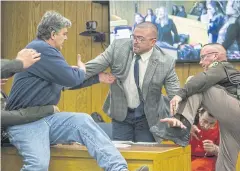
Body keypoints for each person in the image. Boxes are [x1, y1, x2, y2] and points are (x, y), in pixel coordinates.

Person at [5, 11, 148, 171]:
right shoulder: (39, 49)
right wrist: (80, 70)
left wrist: (96, 78)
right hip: (25, 123)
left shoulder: (47, 53)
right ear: (53, 34)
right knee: (38, 165)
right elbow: (71, 78)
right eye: (64, 34)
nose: (66, 38)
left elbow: (65, 83)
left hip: (46, 118)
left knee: (82, 121)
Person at [70, 21, 180, 143]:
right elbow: (93, 67)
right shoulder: (118, 48)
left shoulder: (165, 61)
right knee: (122, 155)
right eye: (134, 37)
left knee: (144, 156)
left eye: (140, 39)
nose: (135, 41)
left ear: (153, 42)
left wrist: (178, 117)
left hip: (148, 117)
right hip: (121, 114)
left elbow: (175, 93)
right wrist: (73, 74)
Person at [159, 43, 240, 171]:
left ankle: (181, 123)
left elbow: (203, 79)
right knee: (225, 165)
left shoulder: (222, 66)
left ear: (215, 56)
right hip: (233, 124)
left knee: (194, 82)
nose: (201, 62)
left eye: (203, 57)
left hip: (235, 110)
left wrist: (179, 95)